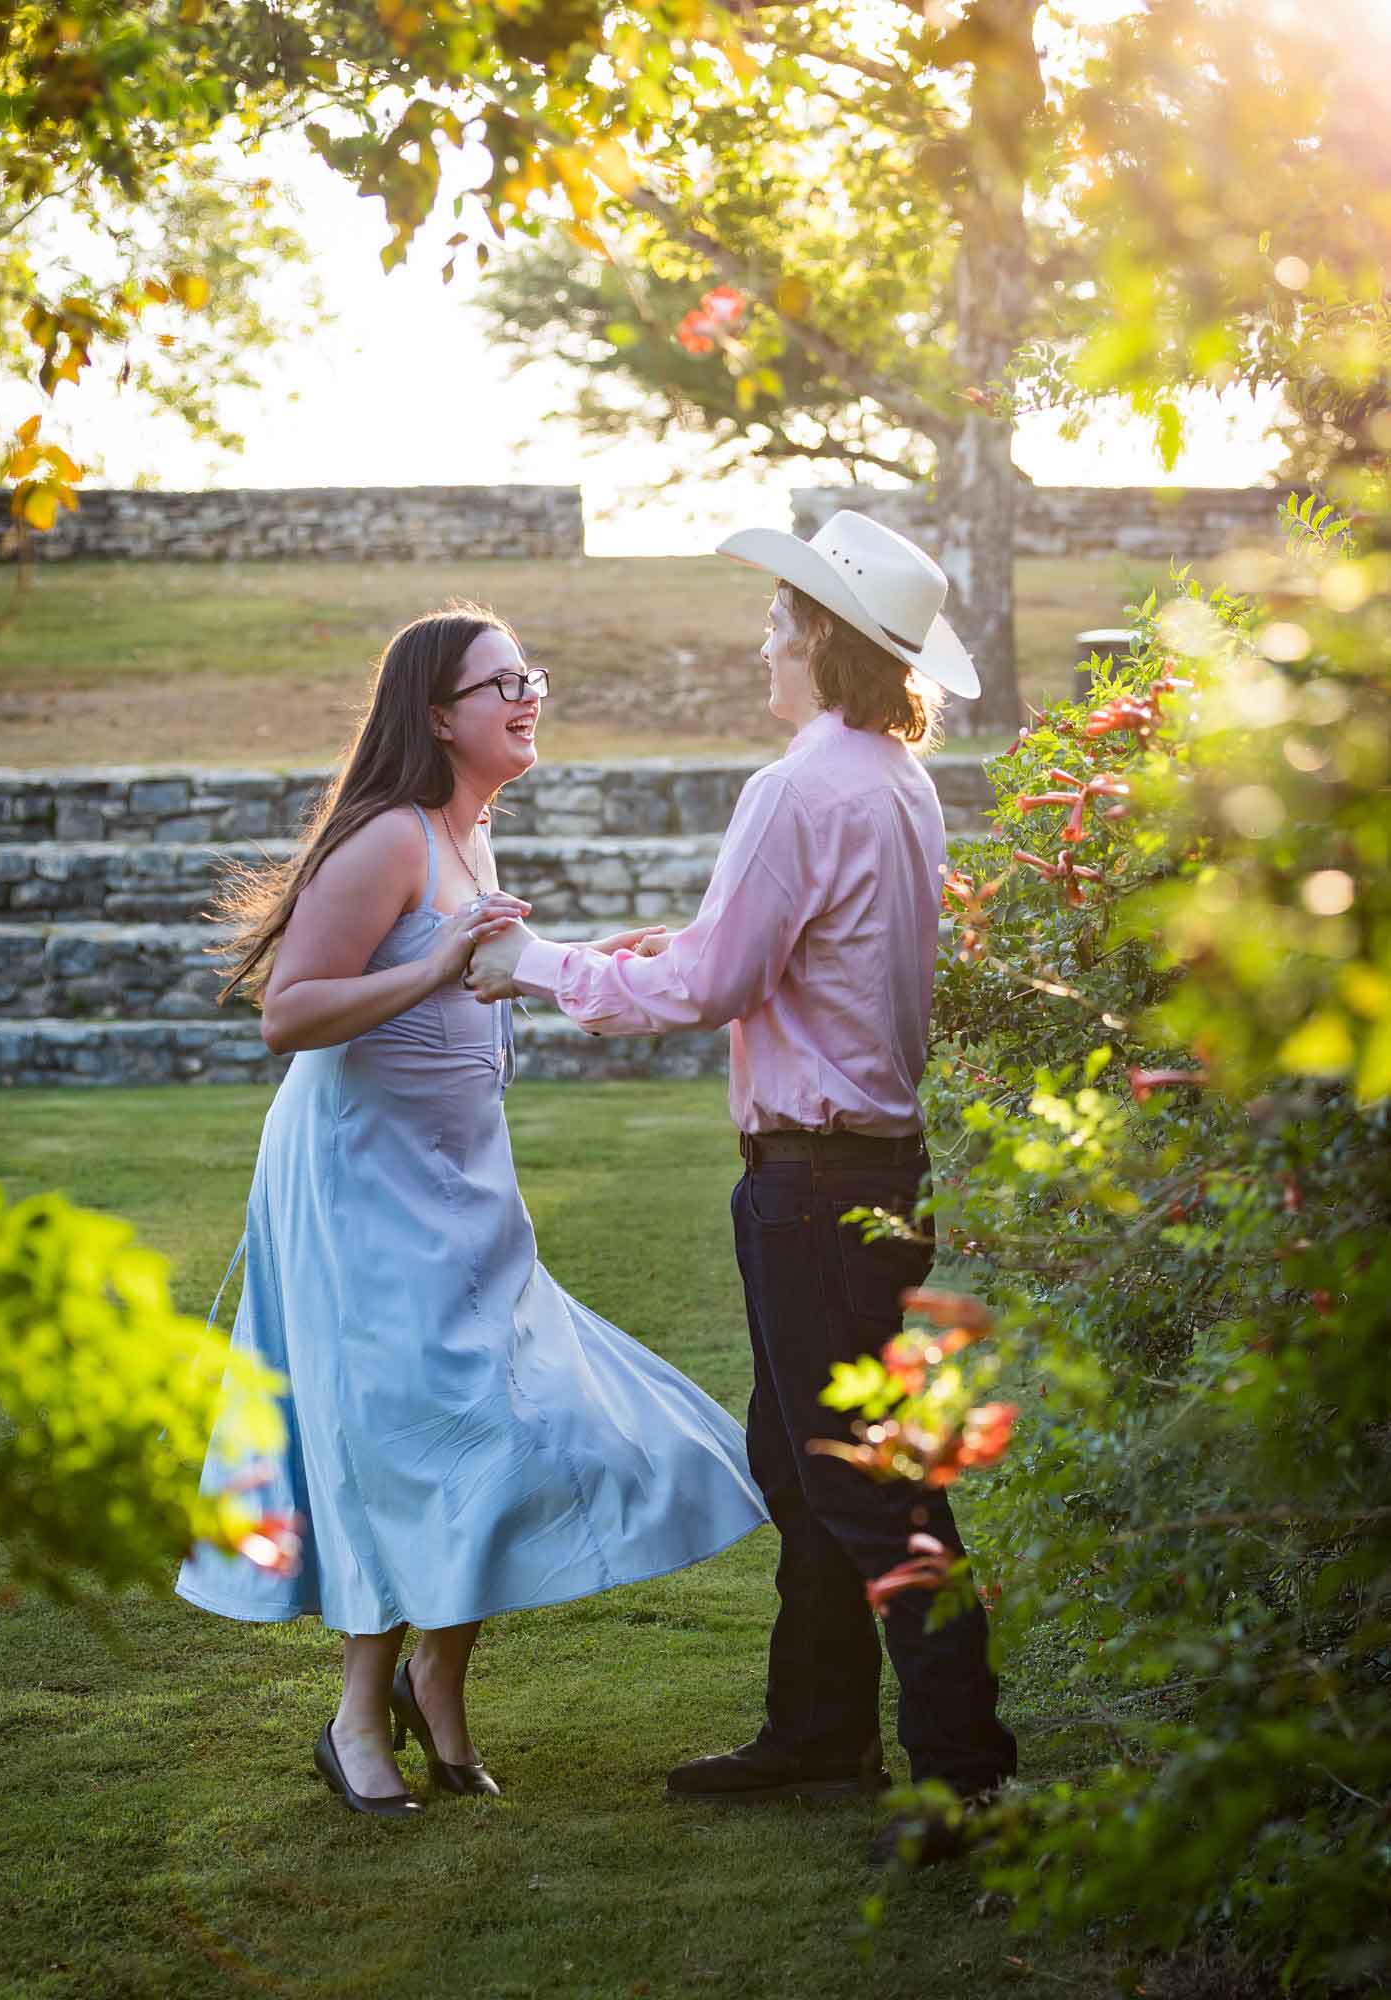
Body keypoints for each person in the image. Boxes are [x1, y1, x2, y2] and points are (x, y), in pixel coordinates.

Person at [468, 513, 1018, 1844]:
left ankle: (965, 1771)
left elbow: (718, 984)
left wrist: (537, 963)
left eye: (779, 618)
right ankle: (819, 1737)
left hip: (814, 1183)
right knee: (807, 1457)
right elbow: (775, 952)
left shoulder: (801, 786)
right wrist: (665, 946)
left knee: (863, 1481)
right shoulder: (891, 778)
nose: (762, 636)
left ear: (822, 640)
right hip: (869, 1174)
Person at [176, 604, 767, 1820]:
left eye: (530, 675)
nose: (527, 694)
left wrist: (588, 954)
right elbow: (291, 1013)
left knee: (502, 1417)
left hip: (458, 1175)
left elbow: (471, 975)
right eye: (501, 681)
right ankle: (357, 1718)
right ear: (435, 714)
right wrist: (435, 965)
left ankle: (437, 1681)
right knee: (399, 1431)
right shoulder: (391, 835)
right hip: (360, 1181)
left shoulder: (471, 831)